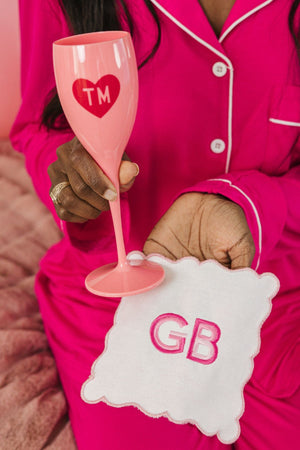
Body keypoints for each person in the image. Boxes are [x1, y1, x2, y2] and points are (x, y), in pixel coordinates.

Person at [10, 0, 300, 449]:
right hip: (117, 293)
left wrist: (253, 204)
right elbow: (40, 126)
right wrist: (72, 179)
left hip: (282, 292)